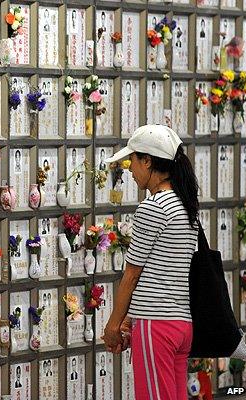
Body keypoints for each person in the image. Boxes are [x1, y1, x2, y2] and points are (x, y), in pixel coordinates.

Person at [102, 124, 199, 400]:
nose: (130, 169)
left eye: (132, 160)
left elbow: (132, 274)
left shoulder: (153, 207)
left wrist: (114, 324)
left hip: (156, 325)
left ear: (147, 161)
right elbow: (165, 271)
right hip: (181, 325)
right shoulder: (186, 204)